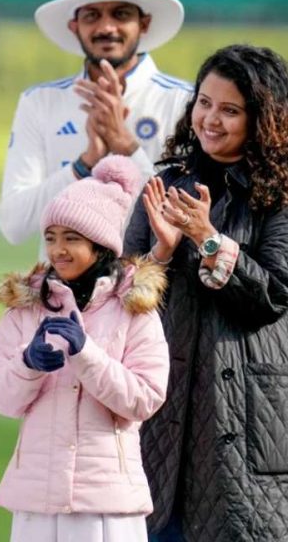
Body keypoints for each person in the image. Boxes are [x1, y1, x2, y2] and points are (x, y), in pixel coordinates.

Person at [124, 44, 288, 541]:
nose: (210, 119)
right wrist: (163, 253)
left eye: (230, 110)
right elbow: (124, 297)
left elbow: (273, 295)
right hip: (164, 414)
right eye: (204, 102)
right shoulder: (167, 183)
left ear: (264, 119)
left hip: (248, 416)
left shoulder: (280, 194)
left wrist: (207, 238)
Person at [0, 155, 169, 541]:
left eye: (72, 238)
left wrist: (87, 355)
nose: (57, 250)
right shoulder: (26, 308)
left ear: (100, 246)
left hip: (106, 506)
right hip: (36, 501)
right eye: (50, 237)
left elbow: (145, 399)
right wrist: (27, 364)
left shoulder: (135, 310)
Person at [0, 0, 191, 253]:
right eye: (92, 16)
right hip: (63, 293)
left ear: (144, 23)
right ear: (74, 27)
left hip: (153, 290)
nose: (106, 28)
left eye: (121, 14)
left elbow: (188, 220)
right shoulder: (40, 101)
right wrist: (85, 163)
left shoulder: (184, 101)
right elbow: (14, 226)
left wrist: (124, 146)